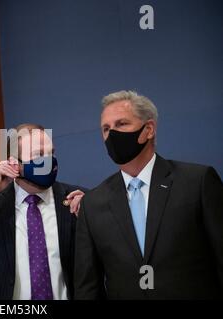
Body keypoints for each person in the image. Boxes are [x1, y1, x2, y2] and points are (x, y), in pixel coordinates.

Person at [74, 90, 223, 299]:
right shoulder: (93, 204)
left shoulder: (197, 182)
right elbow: (87, 286)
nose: (112, 134)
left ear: (149, 129)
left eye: (122, 124)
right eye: (106, 129)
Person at [0, 123, 86, 300]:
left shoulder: (77, 200)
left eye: (52, 153)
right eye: (39, 155)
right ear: (13, 164)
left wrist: (90, 218)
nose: (49, 160)